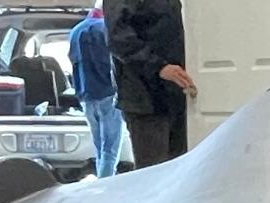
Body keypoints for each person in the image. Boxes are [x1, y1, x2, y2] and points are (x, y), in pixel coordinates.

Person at [103, 0, 195, 168]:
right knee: (154, 172)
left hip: (176, 96)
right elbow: (117, 38)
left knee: (179, 170)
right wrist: (158, 66)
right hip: (144, 99)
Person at [68, 7, 121, 179]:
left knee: (99, 147)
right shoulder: (106, 28)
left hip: (86, 96)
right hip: (108, 94)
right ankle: (105, 187)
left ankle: (101, 179)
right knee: (110, 150)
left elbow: (74, 62)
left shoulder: (75, 32)